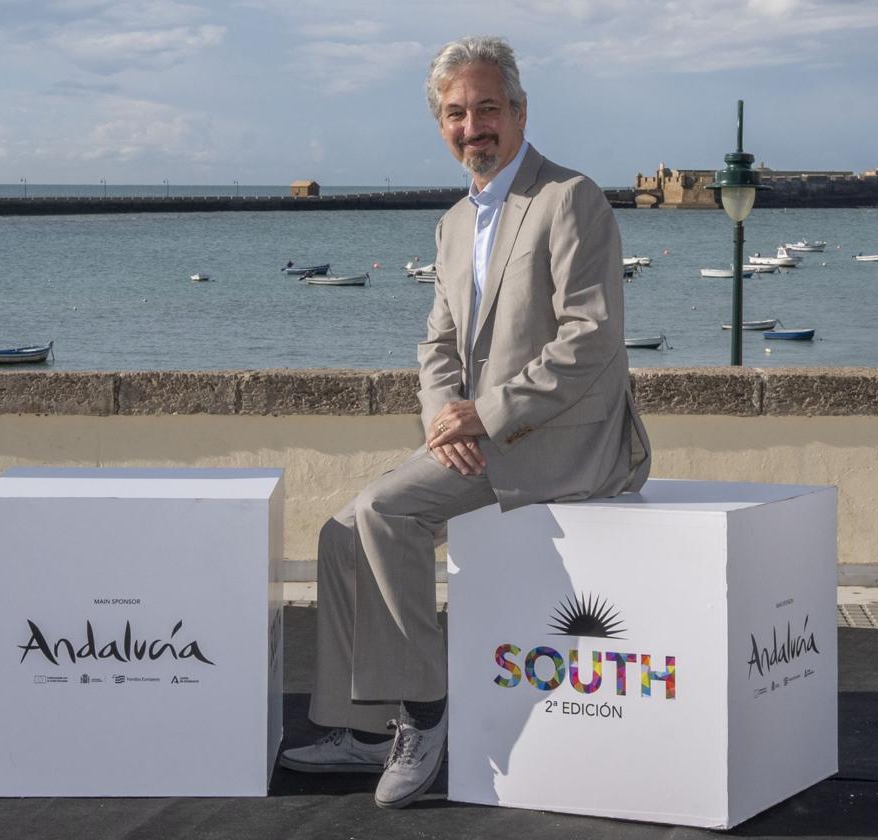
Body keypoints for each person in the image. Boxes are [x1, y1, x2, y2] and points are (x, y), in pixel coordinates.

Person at [278, 35, 651, 809]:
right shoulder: (453, 224)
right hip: (480, 438)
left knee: (385, 510)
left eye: (487, 108)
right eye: (456, 113)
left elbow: (589, 339)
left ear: (518, 111)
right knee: (338, 530)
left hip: (567, 442)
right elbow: (438, 343)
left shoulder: (569, 198)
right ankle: (363, 725)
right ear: (440, 124)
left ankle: (424, 712)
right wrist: (442, 420)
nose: (472, 125)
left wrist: (481, 417)